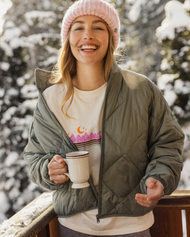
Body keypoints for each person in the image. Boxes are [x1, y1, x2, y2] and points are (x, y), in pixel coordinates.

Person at [23, 0, 185, 236]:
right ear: (68, 38)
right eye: (78, 27)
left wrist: (160, 177)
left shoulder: (140, 90)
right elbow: (34, 156)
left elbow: (168, 143)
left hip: (133, 225)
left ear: (112, 37)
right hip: (74, 226)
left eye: (98, 27)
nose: (87, 35)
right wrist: (49, 169)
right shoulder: (51, 98)